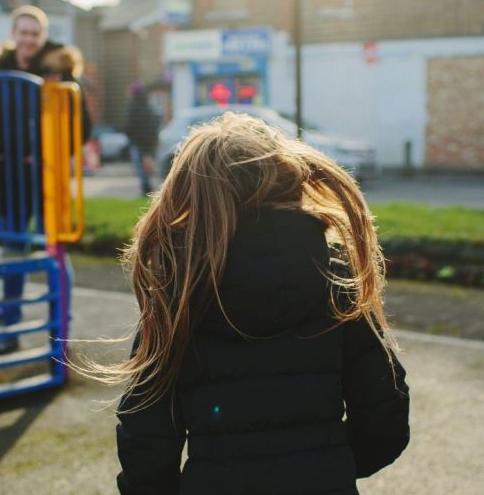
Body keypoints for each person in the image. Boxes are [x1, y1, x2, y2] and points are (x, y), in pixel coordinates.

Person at [80, 112, 410, 493]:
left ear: (189, 196)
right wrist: (329, 464)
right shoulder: (336, 283)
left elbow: (147, 438)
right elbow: (385, 414)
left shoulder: (181, 293)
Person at [0, 6, 92, 334]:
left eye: (35, 33)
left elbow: (81, 126)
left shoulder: (59, 73)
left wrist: (46, 153)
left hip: (48, 177)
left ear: (42, 36)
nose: (29, 39)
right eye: (23, 32)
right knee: (12, 253)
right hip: (10, 179)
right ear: (13, 34)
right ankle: (10, 328)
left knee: (54, 253)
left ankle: (59, 331)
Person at [123, 83, 158, 196]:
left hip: (137, 142)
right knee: (147, 165)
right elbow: (153, 124)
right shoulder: (147, 105)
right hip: (149, 142)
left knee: (140, 167)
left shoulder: (133, 107)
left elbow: (129, 126)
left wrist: (130, 136)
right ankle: (148, 188)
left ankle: (145, 189)